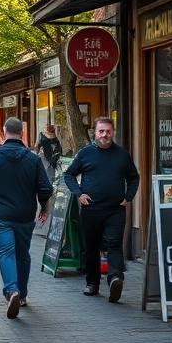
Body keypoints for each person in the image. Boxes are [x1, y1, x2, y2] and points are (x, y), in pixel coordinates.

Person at [0, 117, 52, 318]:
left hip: (1, 215)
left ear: (4, 131)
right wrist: (43, 205)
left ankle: (11, 290)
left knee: (6, 252)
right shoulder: (33, 159)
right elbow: (45, 188)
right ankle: (23, 294)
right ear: (22, 133)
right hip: (25, 215)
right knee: (23, 253)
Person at [63, 116, 140, 303]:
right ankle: (93, 284)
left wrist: (127, 197)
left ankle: (115, 278)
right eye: (101, 131)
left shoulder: (122, 154)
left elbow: (134, 177)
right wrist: (79, 194)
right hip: (91, 209)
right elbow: (69, 174)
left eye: (108, 131)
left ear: (113, 132)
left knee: (114, 244)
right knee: (91, 247)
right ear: (95, 133)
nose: (105, 135)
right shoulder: (85, 153)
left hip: (115, 209)